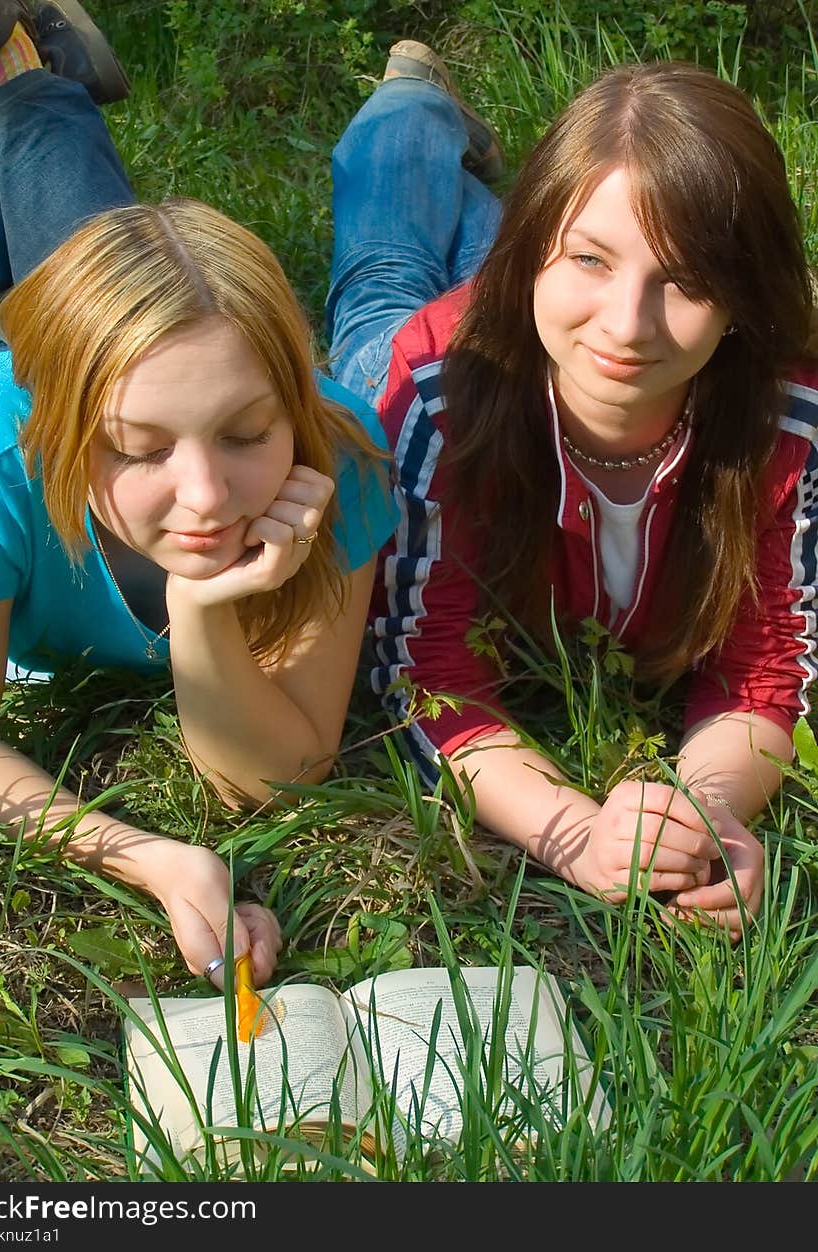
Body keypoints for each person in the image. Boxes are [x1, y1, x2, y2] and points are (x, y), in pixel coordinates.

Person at [0, 2, 398, 988]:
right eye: (136, 449)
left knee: (99, 253)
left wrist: (199, 609)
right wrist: (143, 856)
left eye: (246, 434)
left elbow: (282, 773)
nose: (205, 495)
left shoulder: (343, 454)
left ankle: (33, 71)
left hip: (84, 354)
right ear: (60, 432)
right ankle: (33, 72)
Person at [326, 42, 818, 940]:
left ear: (744, 294)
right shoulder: (434, 387)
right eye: (588, 258)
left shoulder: (790, 412)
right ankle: (408, 104)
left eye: (687, 280)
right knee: (380, 288)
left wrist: (696, 815)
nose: (628, 327)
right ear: (540, 254)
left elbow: (769, 661)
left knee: (518, 270)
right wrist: (574, 835)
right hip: (423, 363)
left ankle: (508, 213)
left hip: (526, 299)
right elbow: (425, 670)